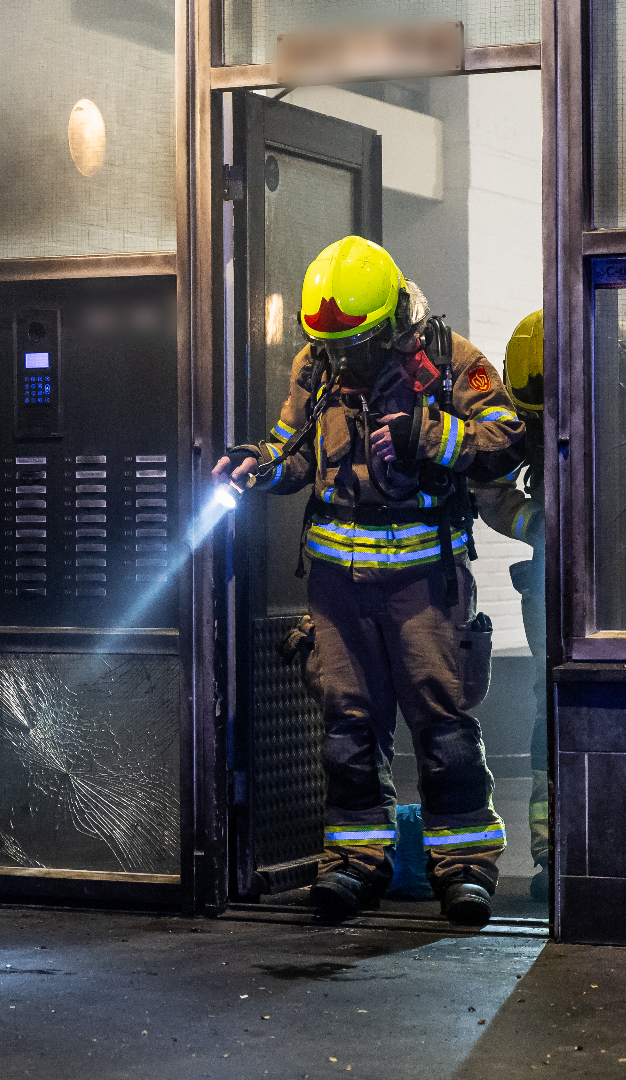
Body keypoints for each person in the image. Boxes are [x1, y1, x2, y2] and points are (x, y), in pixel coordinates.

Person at [212, 237, 526, 926]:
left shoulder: (452, 360)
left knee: (443, 729)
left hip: (423, 581)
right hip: (337, 583)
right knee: (347, 731)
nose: (342, 360)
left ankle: (465, 868)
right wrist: (254, 464)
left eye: (356, 344)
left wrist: (429, 434)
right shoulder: (315, 362)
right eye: (331, 345)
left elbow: (507, 432)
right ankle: (354, 864)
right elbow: (291, 449)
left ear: (388, 322)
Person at [471, 310, 549, 901]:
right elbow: (488, 483)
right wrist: (540, 527)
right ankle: (554, 851)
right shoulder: (519, 411)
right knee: (552, 703)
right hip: (556, 577)